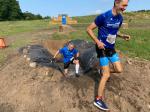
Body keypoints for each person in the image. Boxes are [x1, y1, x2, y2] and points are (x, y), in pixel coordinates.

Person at [87, 0, 130, 111]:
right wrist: (97, 41)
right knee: (106, 75)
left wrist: (122, 35)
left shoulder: (120, 18)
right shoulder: (103, 16)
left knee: (119, 70)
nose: (125, 8)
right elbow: (89, 29)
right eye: (124, 5)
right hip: (102, 49)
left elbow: (114, 31)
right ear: (116, 2)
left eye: (126, 5)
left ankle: (102, 71)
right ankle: (98, 99)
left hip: (111, 48)